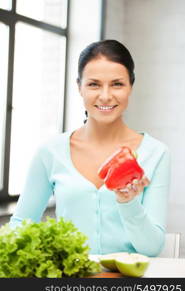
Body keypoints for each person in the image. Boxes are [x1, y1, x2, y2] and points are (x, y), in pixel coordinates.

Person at [9, 40, 171, 257]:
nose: (105, 96)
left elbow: (152, 248)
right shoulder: (50, 152)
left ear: (131, 86)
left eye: (117, 84)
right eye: (94, 84)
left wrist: (129, 202)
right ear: (79, 87)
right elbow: (21, 224)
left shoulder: (156, 154)